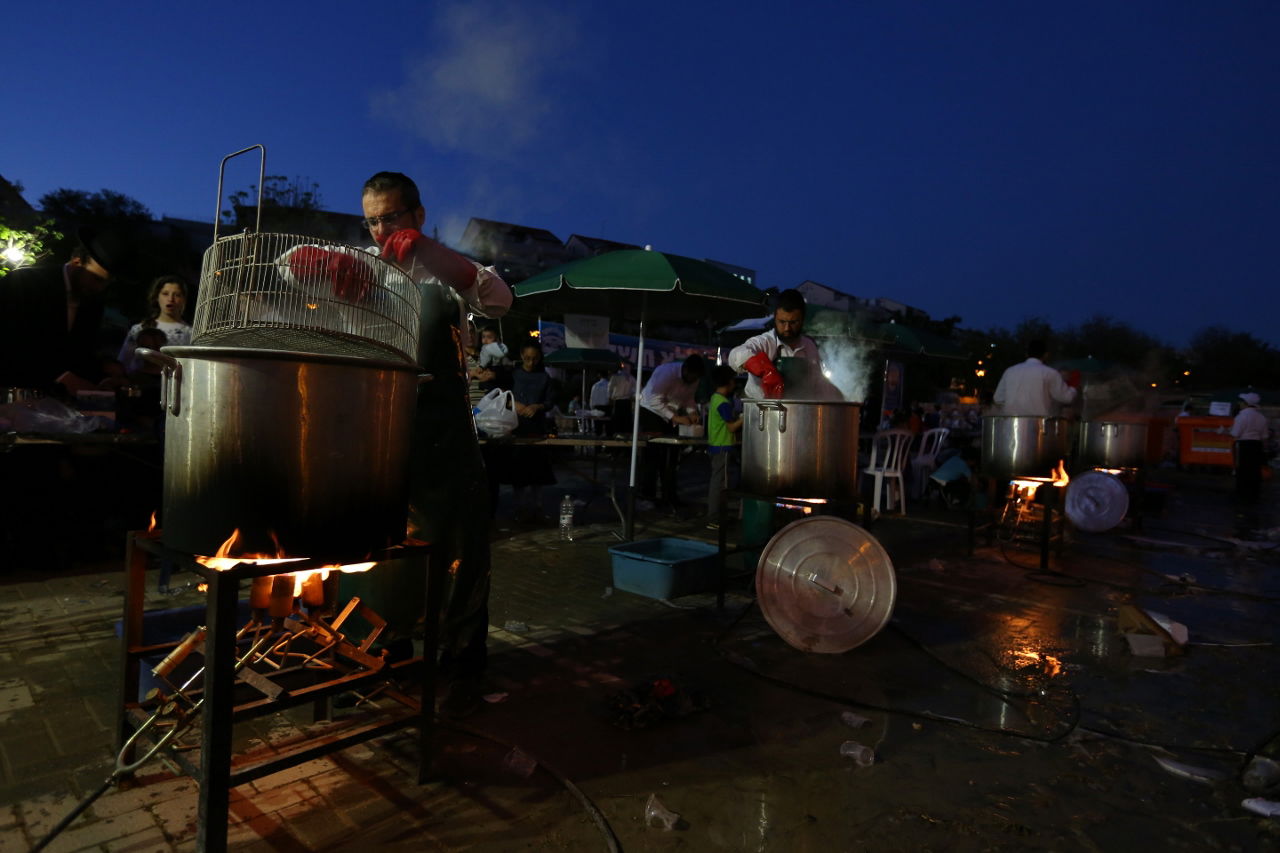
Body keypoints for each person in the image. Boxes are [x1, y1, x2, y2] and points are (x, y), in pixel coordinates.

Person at [336, 170, 511, 719]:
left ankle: (461, 657)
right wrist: (315, 267)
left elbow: (500, 300)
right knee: (377, 550)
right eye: (372, 220)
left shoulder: (447, 273)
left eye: (391, 217)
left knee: (457, 546)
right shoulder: (362, 267)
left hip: (445, 436)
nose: (381, 229)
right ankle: (382, 651)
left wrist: (442, 259)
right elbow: (286, 274)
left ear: (417, 216)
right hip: (376, 432)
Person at [0, 226, 131, 394]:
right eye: (96, 279)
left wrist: (102, 375)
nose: (100, 288)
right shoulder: (25, 282)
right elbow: (11, 342)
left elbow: (80, 354)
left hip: (57, 404)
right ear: (77, 262)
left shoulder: (92, 303)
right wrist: (57, 376)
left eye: (106, 283)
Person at [638, 354, 706, 508]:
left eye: (696, 378)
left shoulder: (694, 379)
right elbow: (653, 399)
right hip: (651, 411)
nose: (693, 380)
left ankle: (670, 495)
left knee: (671, 456)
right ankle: (647, 495)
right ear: (685, 369)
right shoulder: (666, 373)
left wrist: (692, 411)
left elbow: (688, 398)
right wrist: (675, 418)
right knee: (653, 456)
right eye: (692, 376)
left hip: (670, 414)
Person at [728, 288, 820, 399]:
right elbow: (734, 354)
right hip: (760, 407)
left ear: (802, 320)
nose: (787, 328)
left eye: (793, 322)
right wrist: (764, 369)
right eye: (782, 322)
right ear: (775, 318)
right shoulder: (764, 342)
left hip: (798, 408)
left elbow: (817, 382)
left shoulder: (809, 346)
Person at [118, 275, 193, 373]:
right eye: (165, 294)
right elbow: (123, 363)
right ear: (157, 297)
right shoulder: (139, 329)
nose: (171, 299)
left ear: (184, 299)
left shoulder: (190, 333)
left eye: (177, 295)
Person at [992, 340, 1079, 417]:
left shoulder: (1009, 371)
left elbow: (998, 398)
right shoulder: (1050, 373)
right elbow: (1066, 397)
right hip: (1039, 425)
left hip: (1012, 424)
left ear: (1026, 354)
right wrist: (1074, 385)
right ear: (1046, 355)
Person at [705, 364, 743, 529]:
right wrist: (745, 417)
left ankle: (715, 517)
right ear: (729, 382)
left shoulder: (715, 398)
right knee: (720, 484)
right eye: (733, 380)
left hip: (715, 445)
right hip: (723, 447)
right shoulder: (723, 403)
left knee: (717, 482)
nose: (735, 384)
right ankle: (714, 519)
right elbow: (731, 427)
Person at [1231, 392, 1268, 504]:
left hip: (1243, 445)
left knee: (1242, 470)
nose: (1239, 404)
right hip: (1257, 445)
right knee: (1254, 471)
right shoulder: (1261, 417)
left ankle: (1242, 494)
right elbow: (1265, 436)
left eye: (1241, 402)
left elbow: (1235, 434)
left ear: (1245, 403)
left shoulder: (1241, 416)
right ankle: (1254, 494)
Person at [607, 362, 636, 435]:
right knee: (626, 421)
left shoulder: (616, 376)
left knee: (618, 421)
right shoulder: (631, 378)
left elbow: (609, 389)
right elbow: (637, 390)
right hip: (627, 402)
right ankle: (625, 436)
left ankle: (618, 436)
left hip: (619, 401)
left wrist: (609, 398)